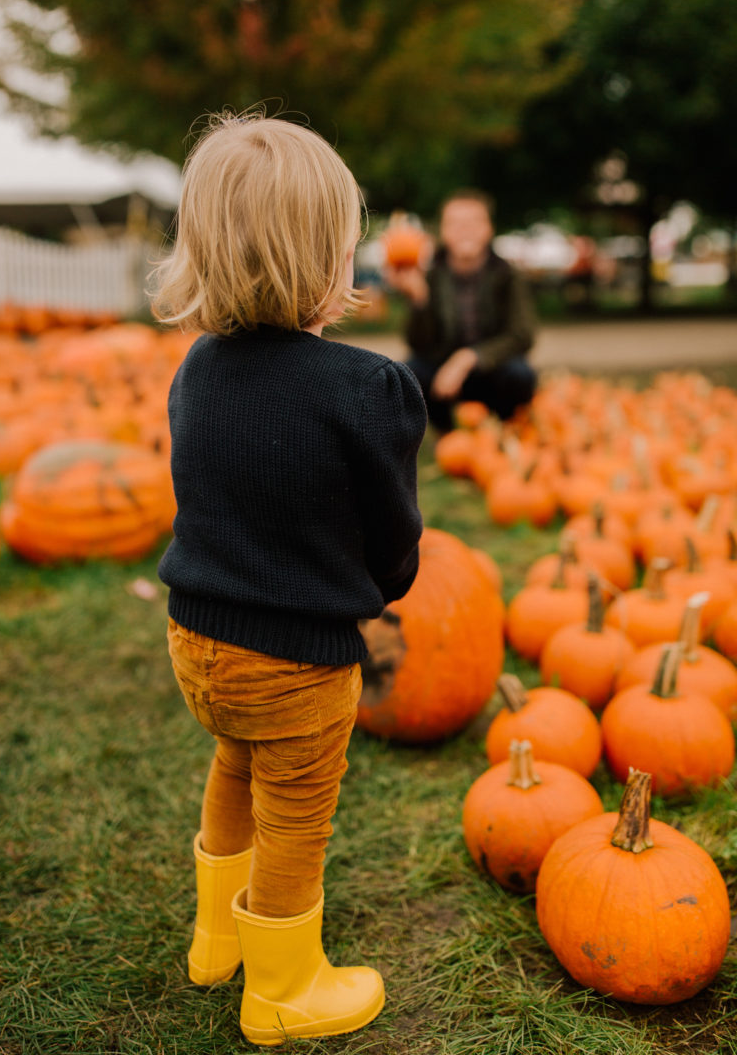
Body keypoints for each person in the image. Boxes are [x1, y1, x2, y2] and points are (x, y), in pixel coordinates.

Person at [149, 112, 426, 1047]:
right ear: (327, 259)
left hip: (198, 644)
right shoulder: (366, 388)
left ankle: (214, 937)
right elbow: (390, 528)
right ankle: (281, 986)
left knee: (235, 761)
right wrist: (390, 582)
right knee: (297, 813)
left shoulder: (197, 368)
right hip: (295, 660)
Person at [386, 189, 537, 432]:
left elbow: (522, 335)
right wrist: (419, 301)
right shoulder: (430, 274)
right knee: (411, 371)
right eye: (455, 223)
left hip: (492, 369)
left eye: (474, 222)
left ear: (489, 228)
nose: (464, 230)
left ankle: (508, 428)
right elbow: (417, 343)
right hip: (442, 372)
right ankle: (445, 433)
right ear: (443, 231)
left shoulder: (507, 274)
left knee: (520, 374)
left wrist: (468, 359)